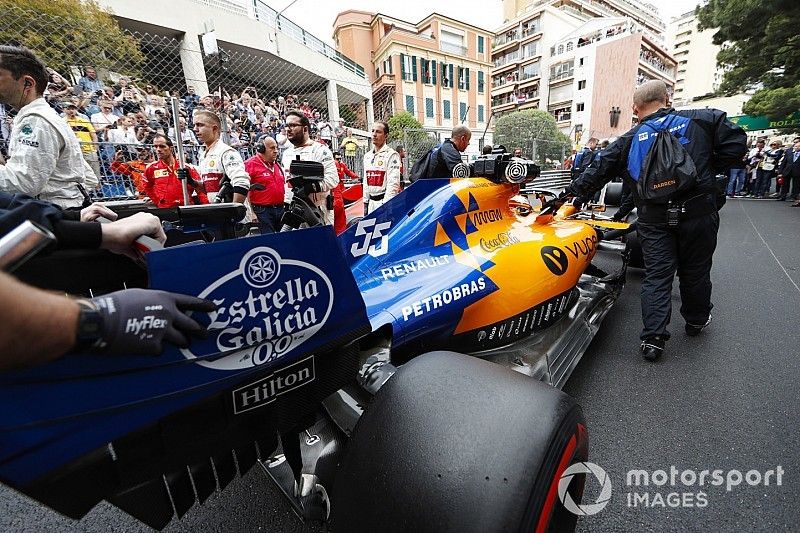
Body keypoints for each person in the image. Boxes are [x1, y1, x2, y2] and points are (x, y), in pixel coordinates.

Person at [566, 80, 746, 361]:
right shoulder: (704, 119)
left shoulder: (629, 138)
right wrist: (709, 171)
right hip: (698, 214)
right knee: (696, 271)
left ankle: (653, 340)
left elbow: (597, 169)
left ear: (636, 109)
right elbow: (737, 145)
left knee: (657, 276)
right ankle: (696, 320)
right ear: (667, 98)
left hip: (653, 219)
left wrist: (570, 195)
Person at [0, 45, 97, 209]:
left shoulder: (37, 121)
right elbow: (88, 177)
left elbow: (22, 184)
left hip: (54, 216)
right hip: (64, 211)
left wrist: (62, 205)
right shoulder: (48, 117)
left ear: (27, 83)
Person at [281, 110, 338, 225]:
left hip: (317, 211)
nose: (288, 129)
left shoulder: (320, 150)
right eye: (286, 126)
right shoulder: (286, 154)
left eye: (293, 125)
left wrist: (309, 188)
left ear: (305, 129)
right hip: (295, 210)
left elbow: (332, 179)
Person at [192, 109, 250, 203]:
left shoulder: (226, 152)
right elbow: (210, 189)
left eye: (200, 125)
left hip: (231, 214)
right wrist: (192, 182)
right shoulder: (203, 156)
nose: (195, 129)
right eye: (194, 125)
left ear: (214, 129)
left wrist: (234, 210)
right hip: (217, 211)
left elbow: (242, 182)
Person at [142, 134, 208, 207]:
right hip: (165, 208)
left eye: (162, 146)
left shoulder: (186, 168)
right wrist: (157, 201)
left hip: (186, 207)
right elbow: (147, 187)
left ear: (171, 148)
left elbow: (200, 190)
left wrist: (207, 206)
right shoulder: (151, 168)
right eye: (155, 146)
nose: (158, 149)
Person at [245, 137, 285, 233]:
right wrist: (252, 213)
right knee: (269, 242)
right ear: (261, 149)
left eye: (276, 148)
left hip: (280, 209)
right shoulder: (250, 164)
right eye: (272, 148)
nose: (276, 151)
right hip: (262, 211)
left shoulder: (276, 165)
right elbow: (245, 191)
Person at [362, 121, 401, 215]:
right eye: (373, 131)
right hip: (371, 203)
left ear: (386, 136)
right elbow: (366, 181)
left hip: (383, 203)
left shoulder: (392, 155)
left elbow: (393, 183)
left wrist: (386, 206)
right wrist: (365, 202)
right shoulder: (367, 156)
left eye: (378, 132)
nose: (374, 134)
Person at [63, 99, 101, 183]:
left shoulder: (84, 121)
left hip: (88, 150)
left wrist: (95, 148)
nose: (71, 111)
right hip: (72, 151)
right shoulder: (62, 122)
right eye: (69, 109)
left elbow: (93, 135)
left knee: (94, 171)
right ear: (64, 110)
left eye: (73, 109)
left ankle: (97, 190)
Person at [333, 151, 358, 234]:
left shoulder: (342, 165)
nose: (339, 160)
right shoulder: (332, 167)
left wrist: (357, 177)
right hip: (336, 189)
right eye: (337, 159)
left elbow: (349, 172)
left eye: (340, 159)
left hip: (341, 189)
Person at [776, 138, 800, 205]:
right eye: (796, 146)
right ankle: (783, 195)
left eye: (798, 146)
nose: (796, 147)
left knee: (796, 185)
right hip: (787, 170)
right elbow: (784, 162)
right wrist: (780, 171)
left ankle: (794, 196)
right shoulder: (789, 151)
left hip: (797, 171)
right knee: (785, 184)